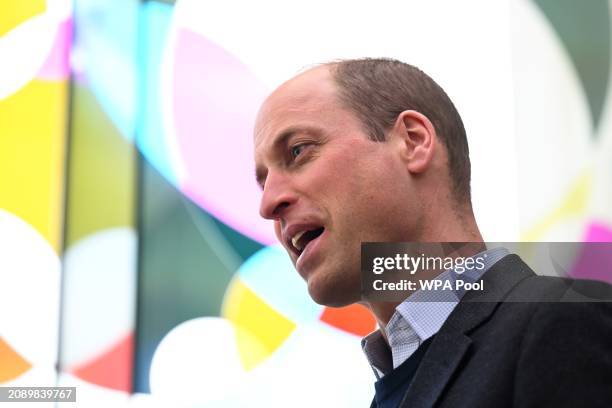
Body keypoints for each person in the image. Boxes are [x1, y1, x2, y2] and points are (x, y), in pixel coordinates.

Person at [253, 58, 612, 407]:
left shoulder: (564, 326)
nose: (268, 204)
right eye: (263, 181)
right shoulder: (395, 380)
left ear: (412, 141)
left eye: (298, 151)